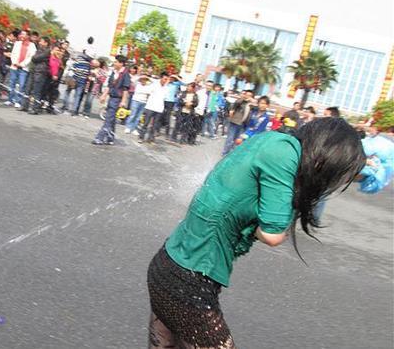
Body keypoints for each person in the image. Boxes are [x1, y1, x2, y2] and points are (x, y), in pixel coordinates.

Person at [147, 117, 366, 348]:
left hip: (169, 264)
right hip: (188, 281)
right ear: (325, 157)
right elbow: (273, 234)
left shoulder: (272, 140)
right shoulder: (284, 154)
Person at [92, 55, 131, 145]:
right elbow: (110, 86)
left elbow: (125, 89)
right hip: (112, 97)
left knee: (108, 118)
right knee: (112, 119)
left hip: (117, 99)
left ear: (121, 63)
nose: (115, 63)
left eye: (116, 62)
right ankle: (110, 138)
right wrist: (104, 96)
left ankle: (100, 138)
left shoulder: (125, 74)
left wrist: (123, 101)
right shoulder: (114, 72)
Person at [7, 30, 36, 108]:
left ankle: (18, 100)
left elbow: (31, 57)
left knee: (22, 85)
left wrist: (22, 64)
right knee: (11, 83)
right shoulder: (17, 43)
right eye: (21, 34)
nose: (21, 36)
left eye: (24, 34)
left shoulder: (32, 46)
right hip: (14, 66)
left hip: (24, 68)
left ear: (28, 36)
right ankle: (10, 99)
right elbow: (13, 54)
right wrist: (14, 62)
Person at [139, 73, 169, 144]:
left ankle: (151, 138)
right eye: (164, 79)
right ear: (161, 78)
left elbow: (165, 98)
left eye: (166, 79)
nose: (165, 81)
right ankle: (141, 137)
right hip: (150, 106)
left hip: (159, 108)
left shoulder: (166, 88)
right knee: (146, 123)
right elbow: (148, 92)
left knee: (155, 125)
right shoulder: (154, 85)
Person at [222, 90, 254, 155]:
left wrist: (252, 102)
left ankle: (232, 153)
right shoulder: (241, 101)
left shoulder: (251, 105)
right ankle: (225, 152)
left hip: (243, 124)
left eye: (250, 96)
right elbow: (236, 103)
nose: (248, 96)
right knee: (230, 138)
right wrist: (244, 99)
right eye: (247, 95)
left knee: (237, 140)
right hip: (235, 122)